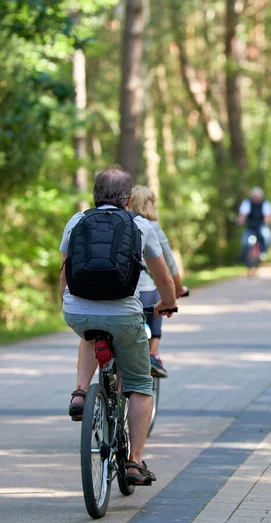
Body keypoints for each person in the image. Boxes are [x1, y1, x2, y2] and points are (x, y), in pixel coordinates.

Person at [59, 167, 177, 486]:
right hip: (124, 314)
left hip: (77, 310)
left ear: (95, 195)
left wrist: (67, 308)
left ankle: (81, 392)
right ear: (128, 198)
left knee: (89, 332)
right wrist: (168, 302)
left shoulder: (76, 221)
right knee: (140, 383)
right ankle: (134, 462)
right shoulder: (141, 226)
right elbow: (164, 277)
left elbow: (65, 272)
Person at [128, 185, 187, 378]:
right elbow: (170, 266)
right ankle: (153, 355)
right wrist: (178, 290)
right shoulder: (152, 227)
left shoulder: (122, 223)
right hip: (145, 291)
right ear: (149, 204)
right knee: (158, 307)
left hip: (121, 290)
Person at [236, 187, 271, 262]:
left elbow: (268, 217)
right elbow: (242, 215)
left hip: (261, 226)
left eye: (258, 196)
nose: (256, 198)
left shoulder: (266, 204)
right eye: (255, 196)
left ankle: (263, 252)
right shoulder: (247, 203)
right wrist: (240, 220)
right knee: (244, 242)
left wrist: (267, 222)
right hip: (250, 227)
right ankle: (245, 257)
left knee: (266, 236)